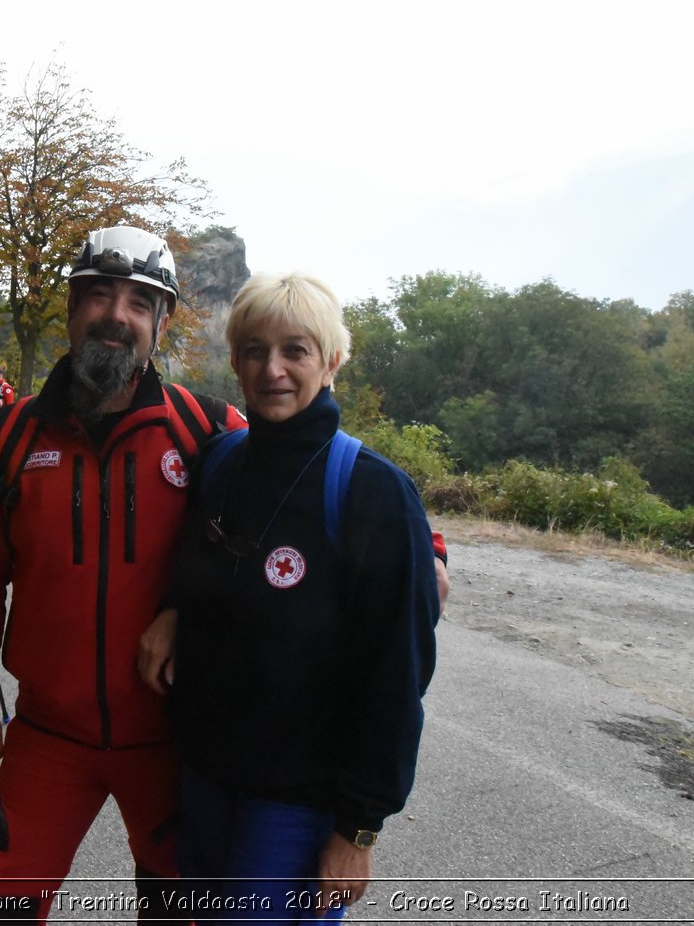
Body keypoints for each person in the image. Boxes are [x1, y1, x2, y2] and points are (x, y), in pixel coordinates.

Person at [0, 225, 245, 922]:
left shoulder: (208, 431)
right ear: (72, 305)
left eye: (142, 302)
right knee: (4, 906)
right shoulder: (8, 438)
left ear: (162, 323)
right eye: (101, 294)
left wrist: (426, 542)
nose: (118, 315)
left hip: (173, 736)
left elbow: (316, 473)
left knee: (179, 908)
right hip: (49, 736)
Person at [137, 272, 440, 924]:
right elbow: (200, 567)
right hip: (207, 785)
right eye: (254, 350)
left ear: (331, 360)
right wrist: (173, 611)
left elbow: (397, 675)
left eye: (295, 350)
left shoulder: (371, 493)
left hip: (298, 811)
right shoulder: (221, 463)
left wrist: (358, 832)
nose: (271, 368)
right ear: (237, 360)